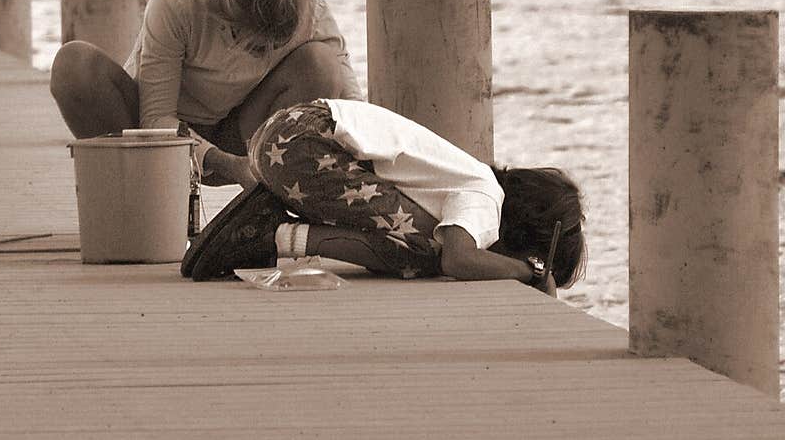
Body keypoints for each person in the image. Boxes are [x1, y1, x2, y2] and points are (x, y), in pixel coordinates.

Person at [181, 96, 587, 293]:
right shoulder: (484, 193)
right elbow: (459, 258)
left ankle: (268, 227)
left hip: (284, 135)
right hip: (307, 144)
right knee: (425, 250)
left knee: (418, 238)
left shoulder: (467, 176)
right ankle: (269, 235)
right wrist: (529, 274)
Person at [50, 0, 363, 188]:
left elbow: (354, 105)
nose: (265, 53)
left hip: (242, 134)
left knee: (323, 65)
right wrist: (227, 164)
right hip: (152, 139)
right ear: (228, 20)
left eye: (274, 48)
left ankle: (269, 204)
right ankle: (140, 196)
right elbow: (155, 117)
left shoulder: (312, 8)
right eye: (256, 47)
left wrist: (376, 164)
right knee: (73, 65)